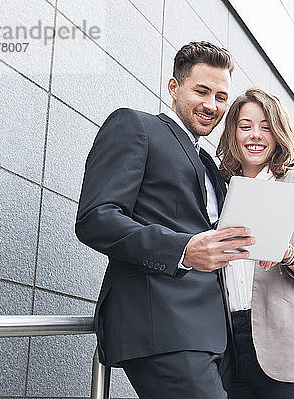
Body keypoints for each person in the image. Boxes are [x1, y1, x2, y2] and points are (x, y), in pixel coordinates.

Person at [75, 41, 253, 399]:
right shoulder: (135, 126)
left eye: (221, 96)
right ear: (174, 88)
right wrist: (182, 250)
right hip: (162, 328)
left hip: (215, 334)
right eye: (201, 91)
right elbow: (96, 218)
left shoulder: (209, 164)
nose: (211, 105)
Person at [216, 88, 294, 398]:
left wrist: (288, 254)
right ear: (233, 133)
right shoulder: (219, 190)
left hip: (288, 351)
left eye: (265, 126)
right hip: (229, 346)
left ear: (277, 133)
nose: (255, 135)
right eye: (245, 126)